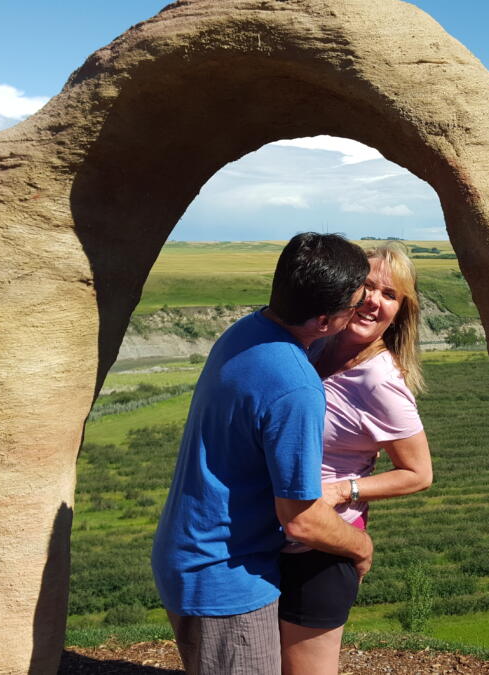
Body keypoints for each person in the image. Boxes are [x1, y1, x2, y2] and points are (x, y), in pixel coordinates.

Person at [151, 232, 374, 675]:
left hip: (192, 555)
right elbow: (302, 517)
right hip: (226, 579)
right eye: (356, 304)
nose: (363, 308)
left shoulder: (248, 331)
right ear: (326, 321)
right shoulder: (295, 385)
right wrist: (360, 545)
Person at [278, 242, 434, 675]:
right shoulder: (314, 345)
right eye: (366, 286)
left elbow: (419, 474)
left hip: (321, 547)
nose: (373, 301)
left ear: (401, 311)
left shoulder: (380, 382)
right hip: (273, 533)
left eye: (389, 295)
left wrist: (341, 489)